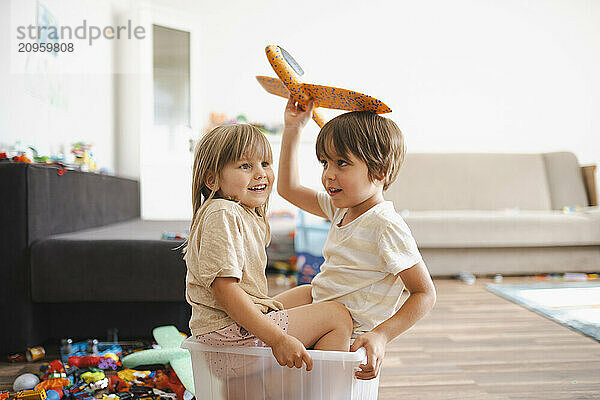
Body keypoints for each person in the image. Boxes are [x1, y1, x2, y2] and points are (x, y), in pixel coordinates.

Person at [276, 97, 437, 380]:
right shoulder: (341, 207)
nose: (328, 175)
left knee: (317, 386)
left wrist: (381, 335)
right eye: (325, 163)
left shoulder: (385, 225)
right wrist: (293, 128)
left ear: (379, 171)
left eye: (341, 163)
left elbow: (425, 294)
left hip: (347, 332)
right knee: (265, 312)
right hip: (323, 310)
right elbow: (288, 188)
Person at [183, 124, 353, 377]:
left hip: (230, 331)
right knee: (337, 316)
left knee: (311, 293)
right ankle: (321, 391)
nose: (260, 173)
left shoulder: (244, 213)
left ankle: (286, 383)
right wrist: (278, 339)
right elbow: (224, 289)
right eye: (245, 166)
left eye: (265, 163)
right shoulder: (222, 213)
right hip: (228, 338)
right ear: (212, 180)